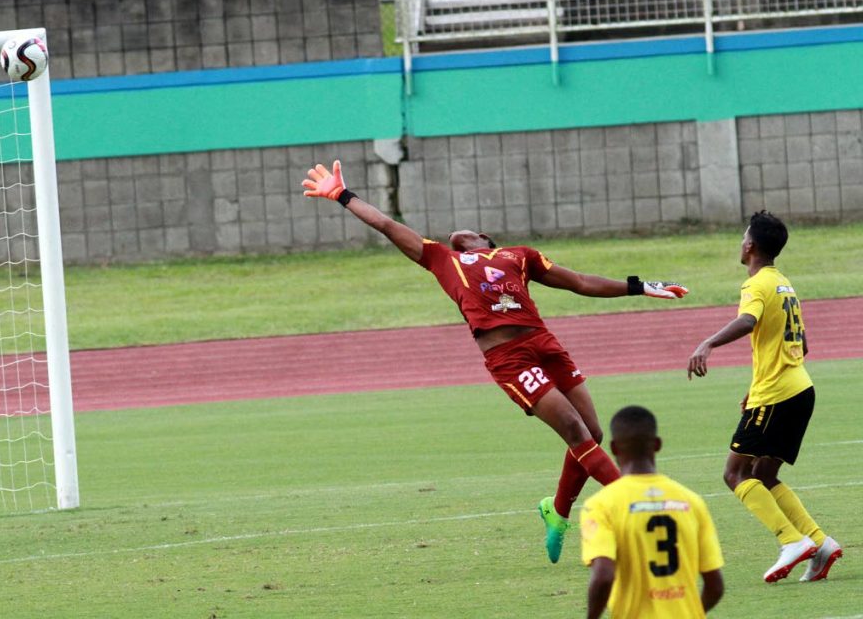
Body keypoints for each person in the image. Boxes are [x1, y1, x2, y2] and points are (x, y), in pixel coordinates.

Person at [302, 160, 689, 563]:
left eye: (468, 232)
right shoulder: (442, 259)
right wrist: (343, 196)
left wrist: (641, 286)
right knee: (576, 431)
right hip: (508, 357)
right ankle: (635, 510)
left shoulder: (519, 257)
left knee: (592, 430)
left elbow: (579, 282)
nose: (458, 234)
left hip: (544, 343)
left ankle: (556, 512)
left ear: (485, 239)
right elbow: (385, 225)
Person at [687, 210, 842, 583]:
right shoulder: (784, 284)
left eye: (743, 237)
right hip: (799, 389)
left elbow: (748, 321)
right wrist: (755, 389)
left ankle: (791, 540)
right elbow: (799, 345)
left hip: (777, 395)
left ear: (750, 246)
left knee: (734, 472)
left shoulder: (756, 285)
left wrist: (707, 343)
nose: (740, 242)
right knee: (763, 472)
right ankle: (820, 544)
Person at [581, 405, 724, 619]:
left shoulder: (600, 505)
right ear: (657, 445)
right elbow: (715, 586)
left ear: (613, 448)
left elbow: (603, 576)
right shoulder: (692, 502)